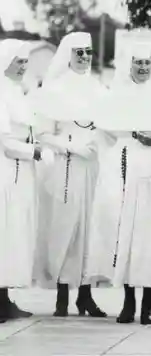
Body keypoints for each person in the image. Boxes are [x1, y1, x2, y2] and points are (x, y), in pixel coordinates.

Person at [86, 42, 151, 325]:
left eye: (147, 63)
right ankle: (128, 301)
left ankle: (148, 303)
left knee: (148, 237)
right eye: (137, 63)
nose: (142, 68)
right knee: (122, 231)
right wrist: (114, 159)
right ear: (129, 66)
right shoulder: (116, 97)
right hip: (121, 166)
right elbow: (104, 135)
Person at [31, 32, 107, 318]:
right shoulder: (54, 91)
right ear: (68, 55)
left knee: (91, 228)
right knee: (65, 227)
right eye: (79, 52)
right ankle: (62, 294)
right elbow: (43, 134)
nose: (84, 57)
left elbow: (106, 128)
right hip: (65, 167)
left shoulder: (99, 89)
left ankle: (85, 295)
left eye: (88, 52)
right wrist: (71, 146)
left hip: (93, 166)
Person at [0, 40, 54, 322]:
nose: (23, 66)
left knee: (17, 234)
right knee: (4, 233)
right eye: (18, 61)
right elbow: (7, 143)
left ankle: (6, 297)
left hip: (22, 172)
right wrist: (36, 151)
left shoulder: (18, 92)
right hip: (7, 171)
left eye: (25, 61)